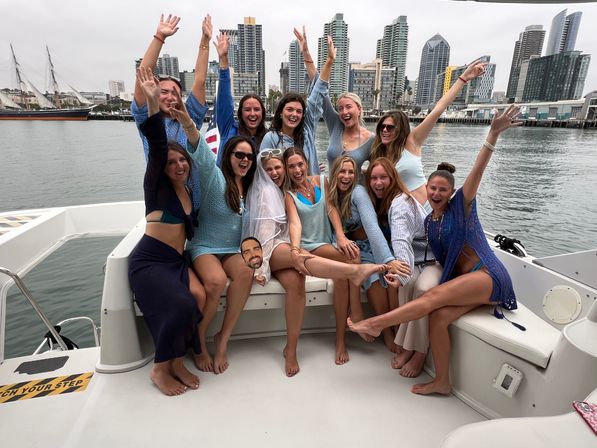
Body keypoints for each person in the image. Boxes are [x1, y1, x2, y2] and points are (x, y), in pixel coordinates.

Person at [348, 105, 522, 395]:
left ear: (452, 192)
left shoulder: (461, 206)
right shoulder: (430, 220)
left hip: (488, 275)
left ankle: (376, 324)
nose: (437, 194)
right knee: (439, 318)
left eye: (443, 190)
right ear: (426, 189)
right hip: (466, 280)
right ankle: (443, 381)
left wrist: (492, 134)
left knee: (432, 296)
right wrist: (396, 268)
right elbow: (409, 243)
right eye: (433, 189)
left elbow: (477, 171)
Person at [244, 148, 396, 375]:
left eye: (300, 164)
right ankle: (354, 317)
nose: (296, 170)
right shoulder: (289, 194)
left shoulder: (322, 181)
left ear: (307, 163)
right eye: (291, 166)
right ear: (287, 169)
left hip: (326, 243)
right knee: (351, 262)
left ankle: (343, 336)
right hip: (308, 244)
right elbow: (294, 224)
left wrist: (341, 235)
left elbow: (332, 209)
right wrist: (295, 249)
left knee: (350, 258)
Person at [128, 67, 204, 396]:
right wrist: (152, 101)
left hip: (175, 261)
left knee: (199, 297)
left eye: (182, 161)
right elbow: (158, 144)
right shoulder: (155, 186)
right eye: (171, 162)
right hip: (150, 262)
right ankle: (160, 368)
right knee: (182, 303)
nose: (178, 165)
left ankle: (176, 361)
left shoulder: (189, 191)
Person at [184, 116, 257, 375]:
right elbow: (200, 149)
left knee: (246, 273)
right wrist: (186, 119)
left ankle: (223, 338)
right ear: (228, 156)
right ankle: (198, 340)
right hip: (204, 246)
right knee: (215, 282)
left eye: (249, 156)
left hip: (232, 250)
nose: (245, 160)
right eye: (239, 155)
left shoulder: (252, 188)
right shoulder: (214, 177)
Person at [370, 60, 487, 211]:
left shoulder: (412, 142)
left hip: (427, 209)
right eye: (382, 127)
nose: (384, 130)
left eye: (390, 127)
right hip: (401, 216)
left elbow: (438, 109)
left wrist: (463, 78)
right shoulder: (379, 153)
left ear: (400, 129)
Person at [366, 157, 442, 378]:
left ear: (393, 179)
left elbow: (400, 240)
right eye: (373, 178)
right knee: (405, 289)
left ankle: (417, 351)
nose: (378, 183)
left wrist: (401, 273)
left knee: (422, 290)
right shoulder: (389, 201)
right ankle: (407, 344)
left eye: (383, 177)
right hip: (417, 258)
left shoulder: (399, 203)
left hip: (435, 259)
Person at [327, 156, 409, 352]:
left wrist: (389, 260)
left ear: (356, 176)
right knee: (368, 275)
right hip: (353, 247)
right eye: (342, 171)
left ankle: (393, 330)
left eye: (351, 172)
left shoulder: (358, 192)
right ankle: (386, 331)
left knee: (381, 277)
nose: (346, 176)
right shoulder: (331, 195)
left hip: (372, 244)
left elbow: (372, 226)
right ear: (334, 173)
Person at [132, 13, 211, 210]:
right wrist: (160, 37)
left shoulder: (188, 118)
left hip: (192, 198)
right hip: (162, 195)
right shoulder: (148, 120)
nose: (169, 97)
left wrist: (205, 41)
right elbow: (143, 75)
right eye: (163, 92)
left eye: (175, 93)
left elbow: (200, 80)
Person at [260, 35, 336, 176]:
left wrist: (329, 61)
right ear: (281, 113)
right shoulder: (270, 139)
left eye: (299, 111)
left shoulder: (307, 131)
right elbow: (264, 172)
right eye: (289, 109)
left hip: (311, 193)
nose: (294, 114)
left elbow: (317, 94)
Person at [214, 32, 267, 165]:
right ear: (241, 113)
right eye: (247, 109)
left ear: (262, 113)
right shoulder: (229, 129)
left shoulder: (269, 137)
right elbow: (224, 102)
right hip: (225, 185)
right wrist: (224, 60)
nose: (252, 113)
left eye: (256, 109)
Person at [321, 76, 373, 178]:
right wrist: (308, 59)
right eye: (340, 108)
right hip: (332, 191)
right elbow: (320, 90)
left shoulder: (371, 139)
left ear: (359, 109)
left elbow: (377, 169)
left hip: (355, 191)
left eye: (349, 107)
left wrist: (361, 172)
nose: (344, 112)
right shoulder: (335, 124)